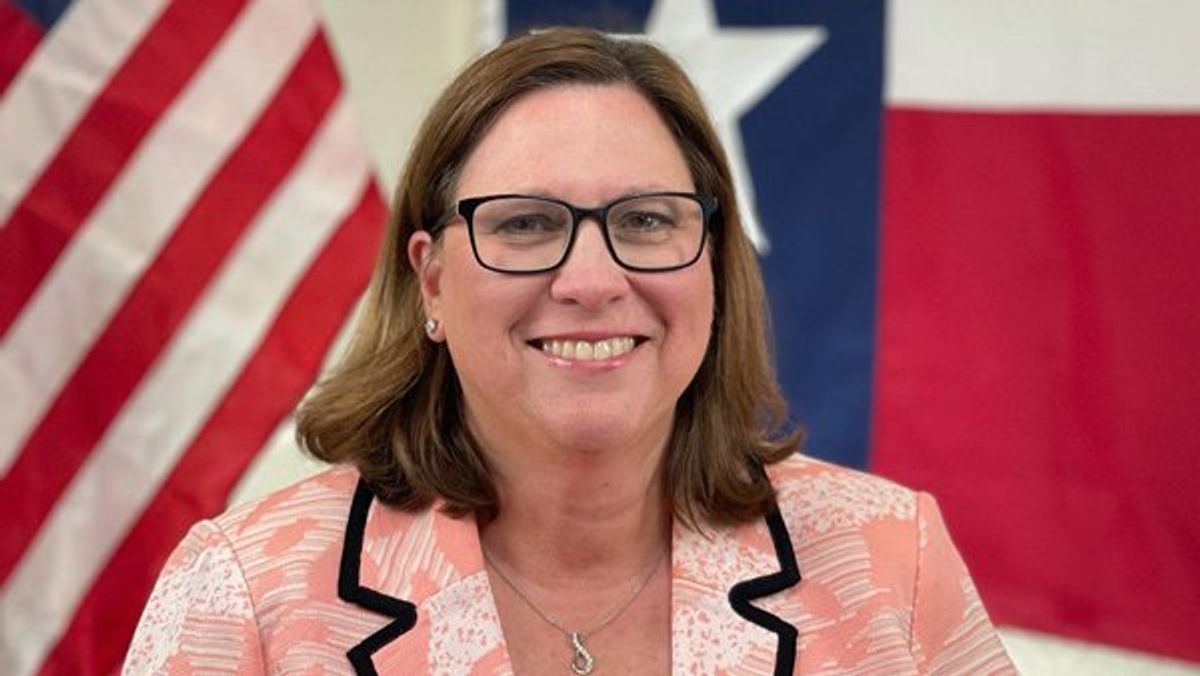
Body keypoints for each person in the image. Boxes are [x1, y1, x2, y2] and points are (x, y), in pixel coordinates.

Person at [124, 27, 1014, 675]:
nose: (592, 280)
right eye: (525, 224)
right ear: (432, 283)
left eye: (645, 220)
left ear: (709, 262)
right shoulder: (249, 594)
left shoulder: (890, 558)